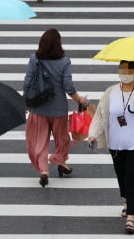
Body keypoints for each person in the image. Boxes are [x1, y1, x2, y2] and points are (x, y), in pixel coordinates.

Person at [88, 60, 134, 234]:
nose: (125, 73)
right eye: (122, 69)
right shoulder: (110, 92)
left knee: (133, 179)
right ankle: (127, 200)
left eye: (129, 70)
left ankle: (131, 217)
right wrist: (93, 134)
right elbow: (100, 117)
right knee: (122, 177)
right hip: (116, 144)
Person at [23, 28, 87, 188]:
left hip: (38, 107)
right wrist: (79, 99)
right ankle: (59, 160)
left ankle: (44, 170)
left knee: (39, 140)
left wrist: (26, 101)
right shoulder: (64, 62)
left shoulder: (34, 59)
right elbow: (68, 86)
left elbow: (27, 82)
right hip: (58, 109)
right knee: (62, 139)